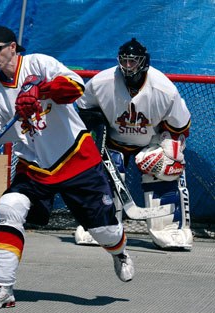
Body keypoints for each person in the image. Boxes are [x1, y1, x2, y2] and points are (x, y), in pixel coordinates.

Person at [0, 26, 134, 310]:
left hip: (76, 159)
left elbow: (75, 86)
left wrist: (39, 89)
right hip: (34, 168)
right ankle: (4, 288)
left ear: (12, 47)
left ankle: (120, 254)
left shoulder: (38, 64)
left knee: (104, 231)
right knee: (9, 207)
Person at [75, 38, 192, 250]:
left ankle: (170, 229)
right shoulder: (102, 82)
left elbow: (180, 127)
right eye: (125, 61)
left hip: (151, 141)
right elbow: (85, 112)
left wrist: (168, 150)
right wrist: (95, 140)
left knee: (167, 164)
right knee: (101, 171)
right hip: (112, 140)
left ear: (144, 62)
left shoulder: (164, 89)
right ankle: (100, 225)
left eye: (133, 61)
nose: (128, 66)